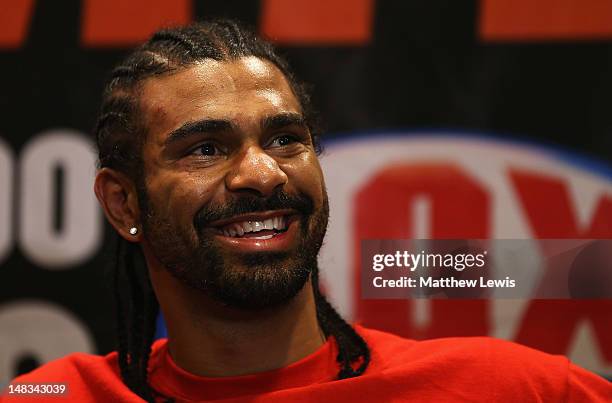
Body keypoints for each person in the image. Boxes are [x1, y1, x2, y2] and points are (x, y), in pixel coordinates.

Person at [3, 20, 610, 403]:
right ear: (123, 201)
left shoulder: (507, 389)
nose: (261, 173)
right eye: (206, 148)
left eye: (284, 139)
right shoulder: (52, 396)